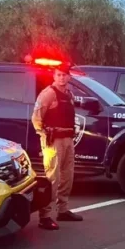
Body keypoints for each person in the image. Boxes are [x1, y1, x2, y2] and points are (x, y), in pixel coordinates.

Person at [31, 63, 83, 230]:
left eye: (64, 75)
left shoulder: (68, 93)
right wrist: (45, 134)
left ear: (69, 77)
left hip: (68, 139)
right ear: (54, 76)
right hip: (53, 141)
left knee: (67, 177)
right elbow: (36, 118)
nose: (61, 78)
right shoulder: (48, 93)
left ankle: (62, 210)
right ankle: (45, 216)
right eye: (58, 75)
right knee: (53, 178)